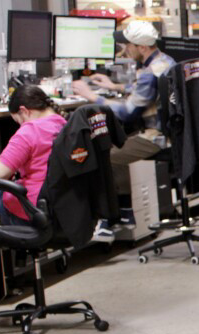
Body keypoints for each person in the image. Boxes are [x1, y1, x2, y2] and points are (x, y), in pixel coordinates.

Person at [72, 19, 174, 242]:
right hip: (168, 131)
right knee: (116, 144)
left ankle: (109, 220)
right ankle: (126, 212)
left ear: (142, 47)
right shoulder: (164, 61)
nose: (124, 49)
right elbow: (148, 91)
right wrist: (115, 86)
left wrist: (92, 96)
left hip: (156, 137)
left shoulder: (149, 71)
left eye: (128, 45)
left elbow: (128, 112)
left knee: (107, 155)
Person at [0, 85, 67, 227]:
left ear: (24, 111)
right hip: (64, 208)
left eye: (18, 121)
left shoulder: (29, 131)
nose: (20, 126)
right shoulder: (65, 124)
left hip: (34, 210)